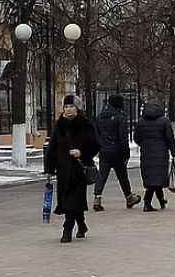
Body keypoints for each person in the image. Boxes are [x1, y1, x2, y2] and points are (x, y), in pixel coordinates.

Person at [45, 95, 100, 243]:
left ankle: (67, 229)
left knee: (72, 199)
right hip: (63, 170)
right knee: (70, 200)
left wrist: (82, 152)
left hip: (79, 169)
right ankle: (81, 224)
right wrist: (49, 169)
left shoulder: (86, 124)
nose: (68, 109)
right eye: (66, 107)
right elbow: (52, 148)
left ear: (77, 108)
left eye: (71, 106)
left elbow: (95, 144)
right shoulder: (59, 125)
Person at [93, 94, 141, 211]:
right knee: (122, 175)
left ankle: (97, 198)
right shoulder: (121, 117)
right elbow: (123, 137)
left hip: (104, 151)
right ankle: (129, 197)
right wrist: (126, 153)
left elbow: (97, 134)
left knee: (102, 175)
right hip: (117, 151)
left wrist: (100, 147)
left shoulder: (100, 116)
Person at [134, 99, 175, 211]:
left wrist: (145, 144)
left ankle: (161, 200)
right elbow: (170, 138)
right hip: (161, 153)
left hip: (146, 152)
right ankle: (147, 202)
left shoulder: (141, 122)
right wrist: (173, 151)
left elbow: (136, 138)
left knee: (152, 177)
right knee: (156, 177)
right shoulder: (164, 121)